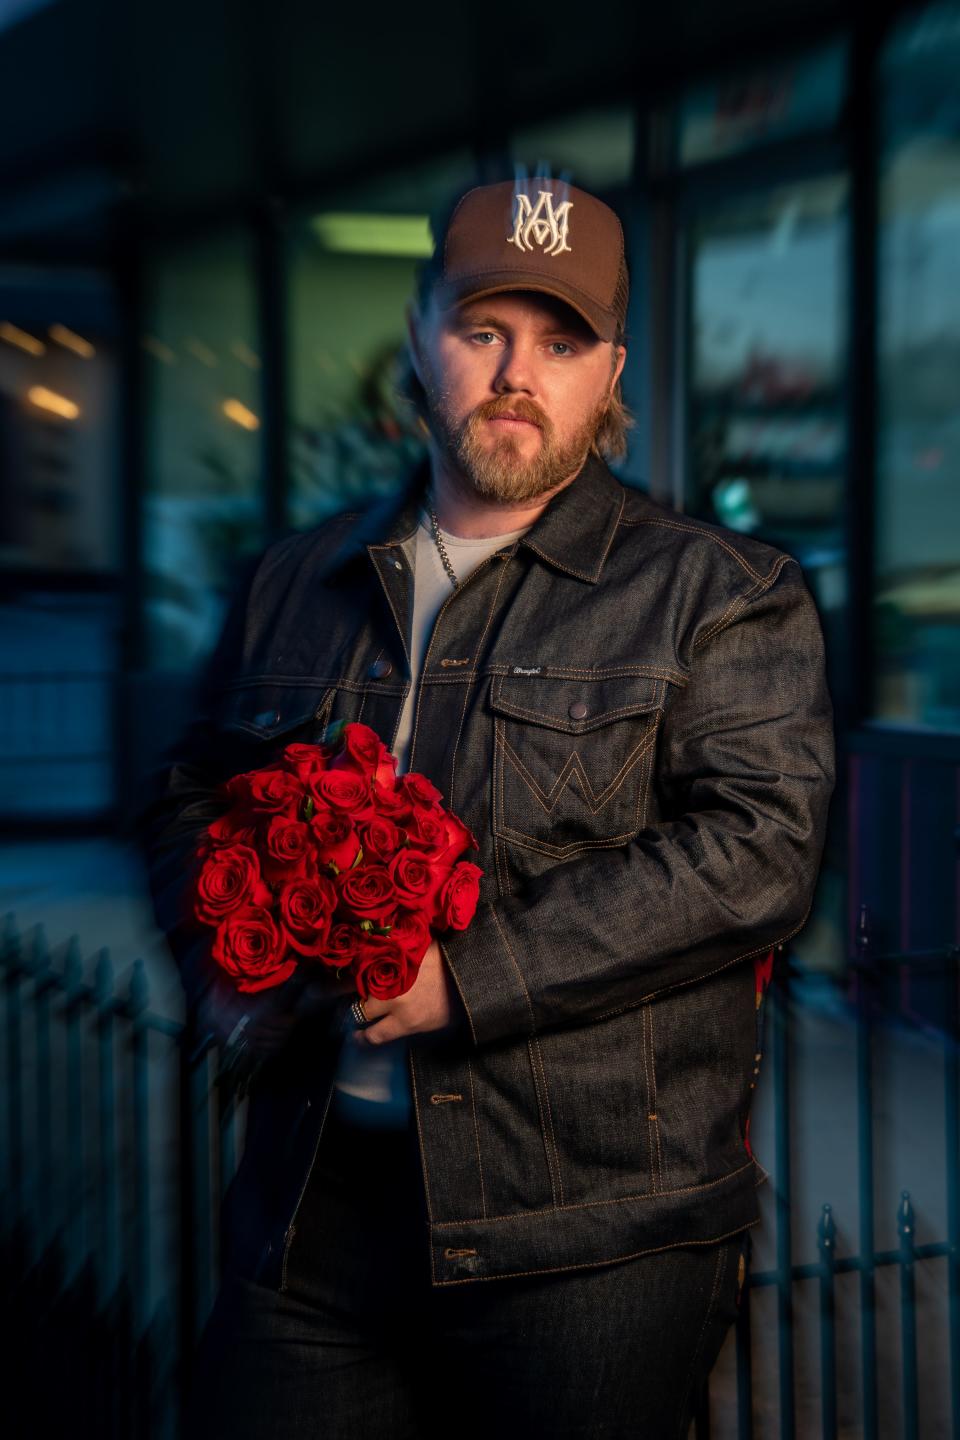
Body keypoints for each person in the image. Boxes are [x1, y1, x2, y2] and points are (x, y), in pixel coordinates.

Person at [135, 175, 836, 1438]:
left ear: (613, 369)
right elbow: (189, 788)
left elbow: (760, 852)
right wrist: (220, 962)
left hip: (590, 1243)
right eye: (483, 331)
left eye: (562, 342)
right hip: (311, 1210)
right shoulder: (299, 581)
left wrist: (466, 978)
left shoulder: (719, 595)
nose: (520, 373)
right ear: (420, 336)